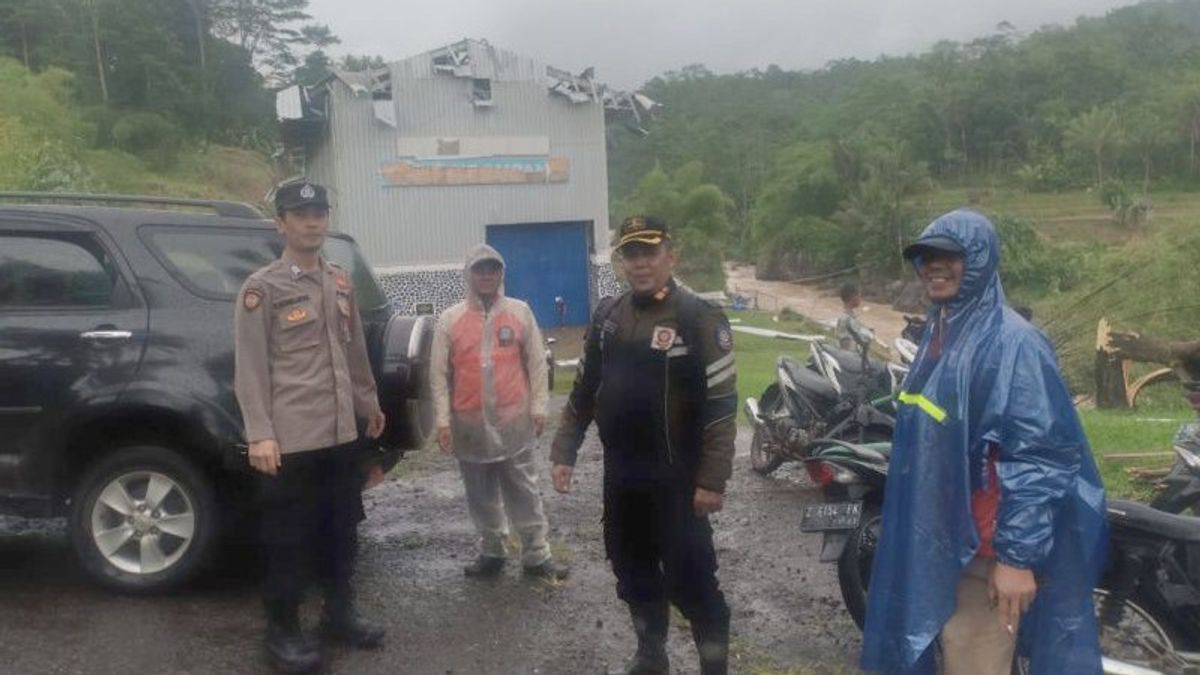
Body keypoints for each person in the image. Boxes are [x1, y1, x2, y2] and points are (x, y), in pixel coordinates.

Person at [860, 210, 1107, 675]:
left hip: (985, 556)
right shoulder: (942, 333)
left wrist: (1016, 558)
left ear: (979, 260)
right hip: (941, 544)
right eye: (926, 257)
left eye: (949, 256)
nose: (934, 265)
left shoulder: (1014, 344)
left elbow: (1040, 457)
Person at [550, 216, 737, 675]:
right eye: (630, 254)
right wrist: (564, 449)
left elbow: (722, 404)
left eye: (649, 252)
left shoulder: (698, 315)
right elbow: (584, 388)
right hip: (623, 475)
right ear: (622, 262)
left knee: (693, 582)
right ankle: (651, 655)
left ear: (670, 255)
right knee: (630, 570)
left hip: (676, 479)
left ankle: (714, 667)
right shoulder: (608, 315)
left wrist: (712, 480)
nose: (639, 263)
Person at [234, 180, 387, 673]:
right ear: (281, 223)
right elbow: (250, 367)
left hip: (341, 434)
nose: (313, 220)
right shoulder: (262, 289)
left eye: (319, 211)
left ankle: (339, 614)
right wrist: (259, 432)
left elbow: (354, 348)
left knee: (343, 528)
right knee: (288, 540)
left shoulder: (339, 280)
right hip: (292, 440)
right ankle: (282, 632)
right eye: (301, 213)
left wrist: (369, 401)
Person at [430, 244, 569, 580]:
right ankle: (492, 551)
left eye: (493, 269)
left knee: (523, 488)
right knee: (480, 493)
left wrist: (539, 407)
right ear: (470, 275)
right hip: (469, 425)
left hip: (513, 422)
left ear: (501, 274)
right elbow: (438, 375)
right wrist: (443, 421)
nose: (486, 276)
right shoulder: (450, 320)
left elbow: (536, 363)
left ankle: (537, 555)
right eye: (480, 270)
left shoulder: (520, 312)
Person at [835, 282, 873, 351]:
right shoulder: (845, 320)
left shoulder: (851, 317)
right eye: (859, 296)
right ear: (854, 297)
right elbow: (845, 344)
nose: (860, 298)